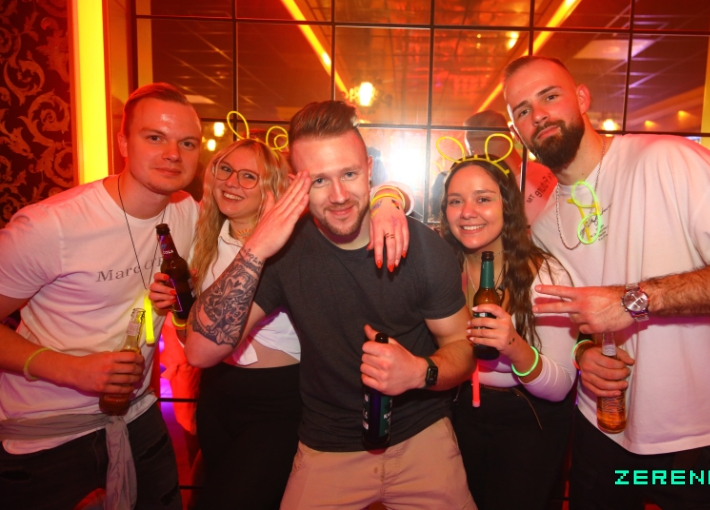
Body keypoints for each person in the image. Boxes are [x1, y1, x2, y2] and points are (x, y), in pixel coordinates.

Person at [502, 56, 710, 509]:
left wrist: (636, 299)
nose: (538, 115)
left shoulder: (667, 160)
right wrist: (583, 355)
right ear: (516, 131)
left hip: (706, 437)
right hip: (602, 433)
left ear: (581, 98)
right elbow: (575, 326)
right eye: (523, 110)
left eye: (550, 96)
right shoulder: (542, 227)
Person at [183, 100, 477, 509]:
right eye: (319, 180)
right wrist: (256, 247)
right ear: (296, 183)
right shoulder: (286, 251)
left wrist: (418, 371)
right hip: (328, 444)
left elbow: (462, 349)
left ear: (370, 171)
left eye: (349, 174)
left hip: (421, 436)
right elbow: (199, 351)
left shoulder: (422, 248)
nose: (339, 196)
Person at [149, 136, 416, 509]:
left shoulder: (296, 239)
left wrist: (387, 201)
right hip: (216, 391)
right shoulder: (203, 239)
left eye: (249, 176)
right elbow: (192, 338)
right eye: (225, 170)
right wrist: (176, 311)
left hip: (278, 399)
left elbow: (379, 189)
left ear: (273, 188)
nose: (232, 182)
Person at [0, 82, 201, 510]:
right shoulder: (51, 226)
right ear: (123, 143)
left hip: (138, 413)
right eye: (155, 137)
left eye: (187, 143)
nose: (173, 154)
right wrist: (72, 370)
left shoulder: (186, 212)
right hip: (47, 433)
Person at [441, 156, 578, 509]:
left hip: (529, 420)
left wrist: (513, 345)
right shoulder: (441, 270)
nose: (467, 212)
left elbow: (561, 386)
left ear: (508, 206)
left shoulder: (544, 275)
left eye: (483, 198)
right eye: (456, 201)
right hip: (459, 412)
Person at [464, 110, 556, 225]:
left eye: (471, 150)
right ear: (510, 135)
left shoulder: (496, 197)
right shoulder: (550, 167)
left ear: (477, 151)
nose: (472, 156)